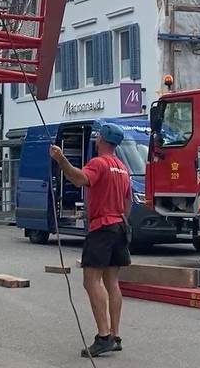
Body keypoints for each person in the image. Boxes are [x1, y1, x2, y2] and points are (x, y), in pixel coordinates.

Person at [49, 123, 131, 358]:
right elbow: (128, 204)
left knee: (91, 280)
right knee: (112, 282)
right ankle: (115, 335)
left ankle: (103, 336)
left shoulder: (99, 163)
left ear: (102, 140)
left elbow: (79, 179)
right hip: (118, 227)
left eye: (97, 138)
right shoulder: (122, 168)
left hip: (102, 228)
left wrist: (61, 160)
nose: (95, 140)